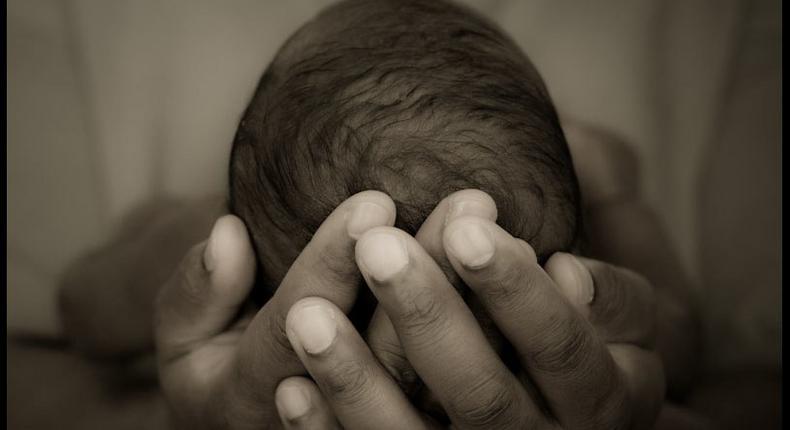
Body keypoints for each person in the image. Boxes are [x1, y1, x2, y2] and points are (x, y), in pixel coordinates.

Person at [58, 0, 702, 428]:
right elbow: (678, 339)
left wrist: (138, 265)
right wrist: (617, 196)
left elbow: (81, 310)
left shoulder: (211, 241)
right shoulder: (586, 243)